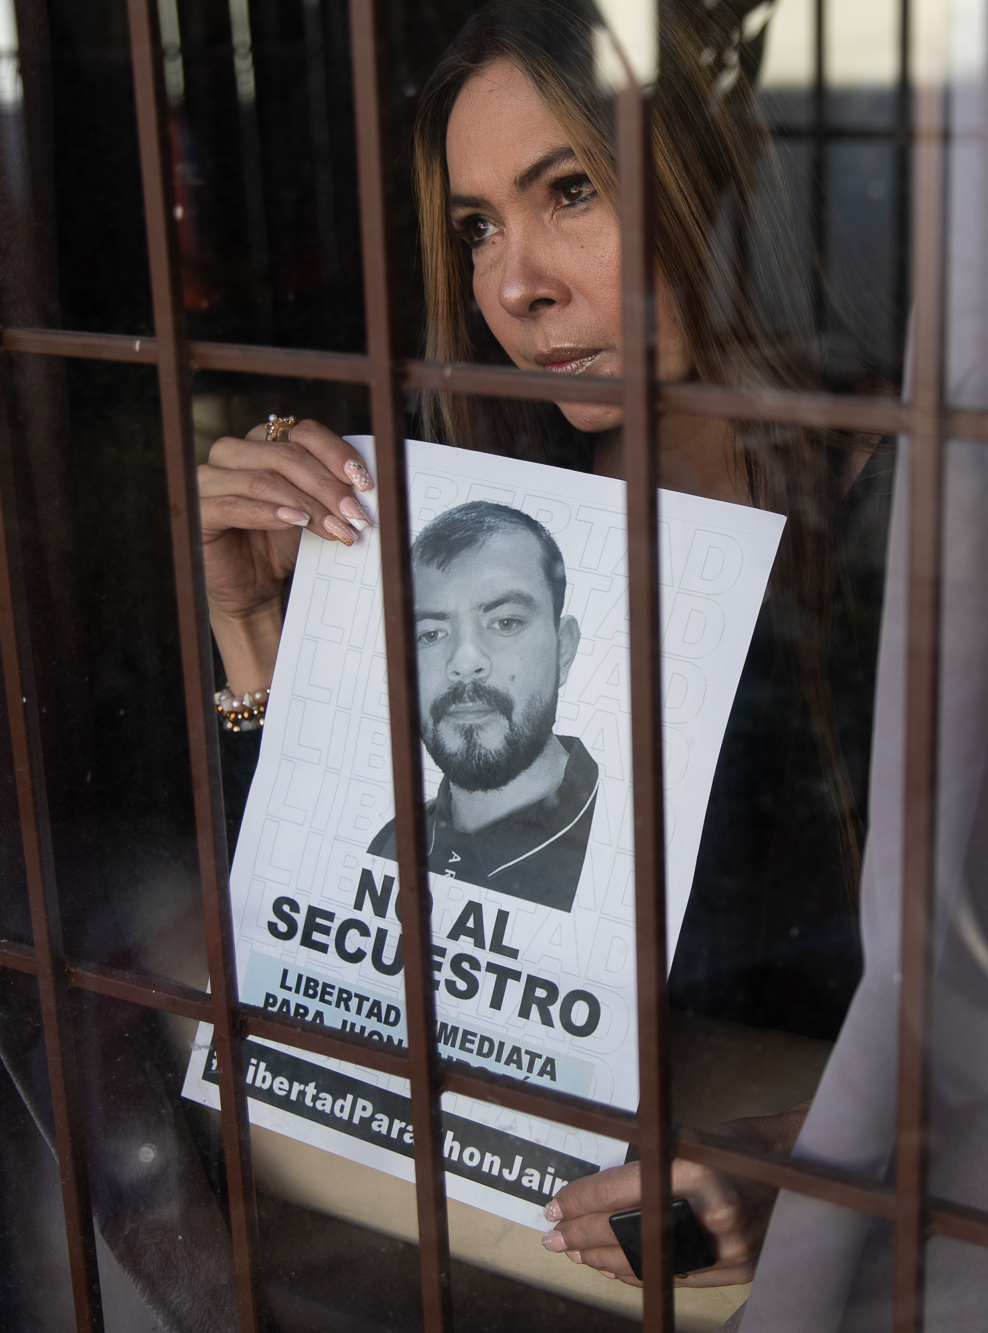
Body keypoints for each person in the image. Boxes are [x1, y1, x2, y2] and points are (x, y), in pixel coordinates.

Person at [196, 0, 891, 1290]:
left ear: (715, 187)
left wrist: (815, 1156)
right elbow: (333, 951)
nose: (516, 286)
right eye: (477, 227)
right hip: (462, 1232)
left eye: (569, 191)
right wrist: (252, 627)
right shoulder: (483, 502)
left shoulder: (898, 514)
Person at [365, 500, 598, 912]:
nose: (464, 662)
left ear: (563, 651)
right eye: (431, 634)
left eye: (505, 623)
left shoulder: (629, 850)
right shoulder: (392, 843)